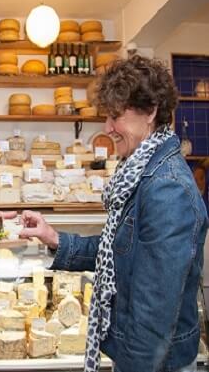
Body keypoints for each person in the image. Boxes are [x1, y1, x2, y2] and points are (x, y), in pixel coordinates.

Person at [19, 56, 208, 372]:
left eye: (115, 116)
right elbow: (119, 251)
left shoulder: (166, 189)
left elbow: (153, 316)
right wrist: (54, 238)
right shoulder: (139, 171)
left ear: (150, 112)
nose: (107, 128)